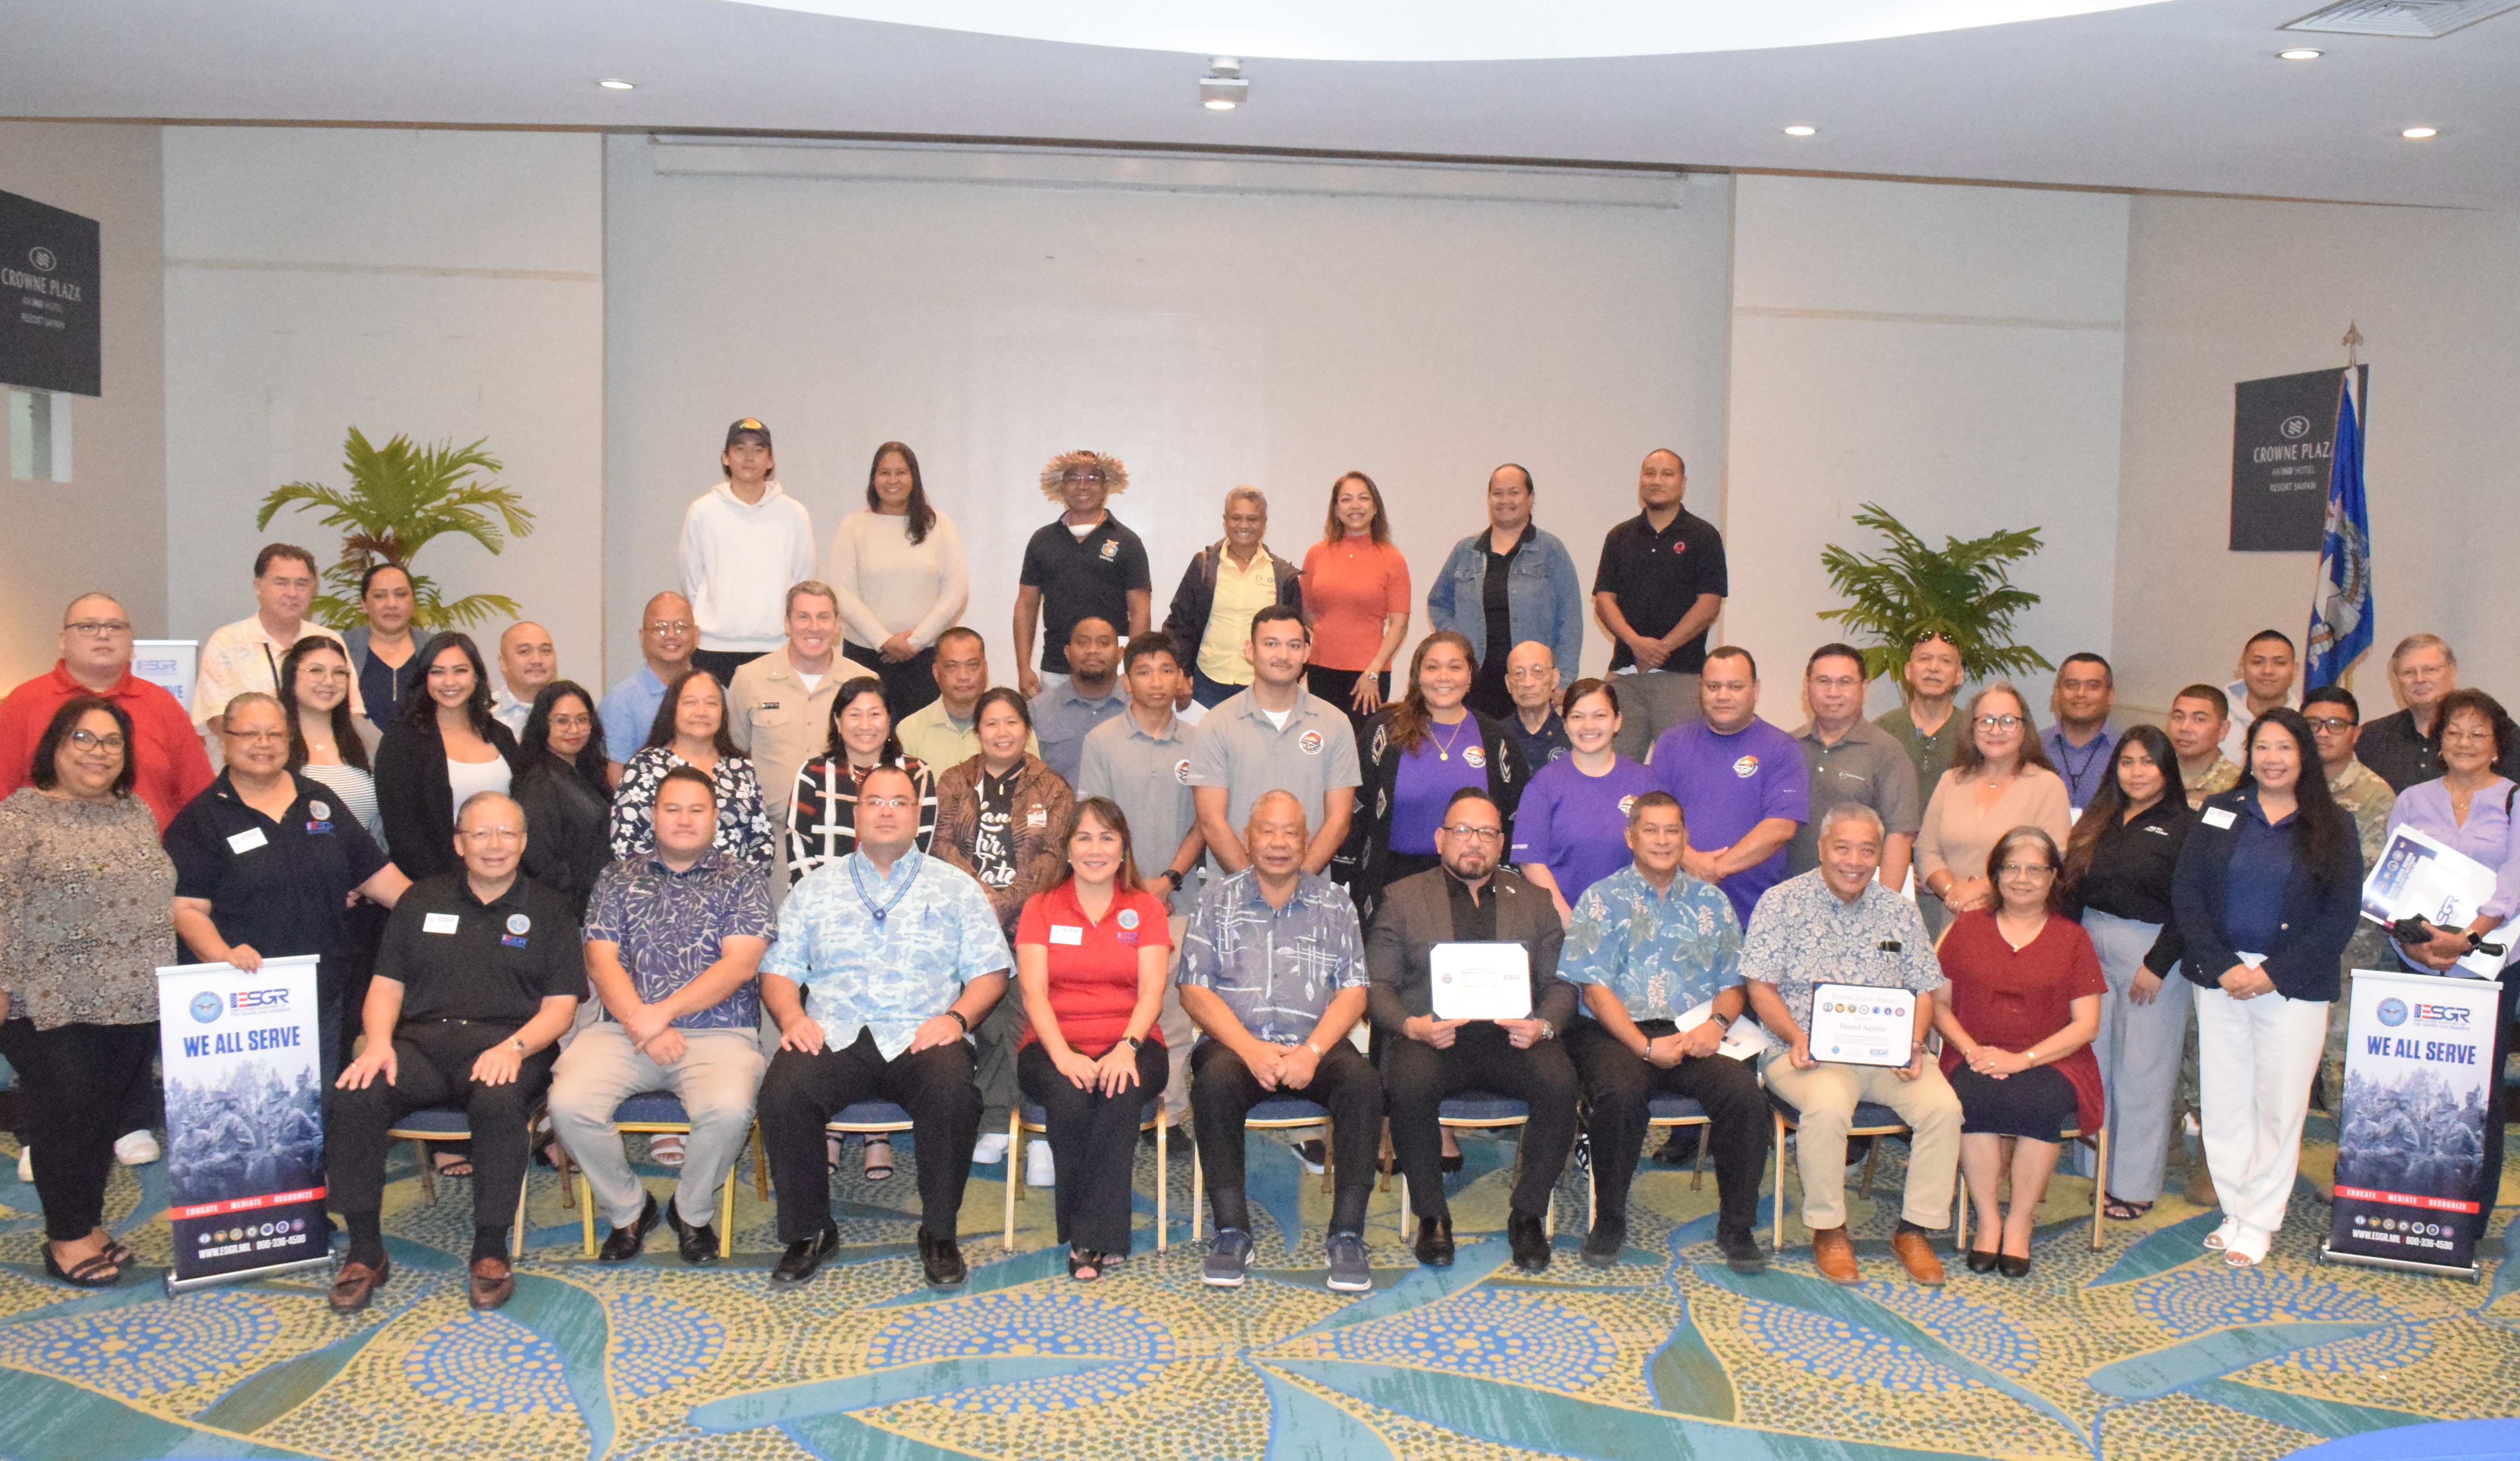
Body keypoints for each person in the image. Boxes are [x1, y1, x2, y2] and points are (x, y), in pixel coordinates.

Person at [755, 763, 1009, 1290]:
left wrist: (957, 1018)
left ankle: (938, 1233)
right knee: (783, 1092)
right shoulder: (815, 888)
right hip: (834, 1031)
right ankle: (810, 1232)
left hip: (925, 1032)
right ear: (857, 815)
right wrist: (792, 1017)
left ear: (917, 815)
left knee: (952, 1093)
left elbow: (990, 972)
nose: (886, 811)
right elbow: (778, 970)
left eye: (898, 802)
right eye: (874, 802)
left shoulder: (957, 888)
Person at [327, 791, 582, 1313]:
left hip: (512, 1044)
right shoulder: (421, 901)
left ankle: (490, 1248)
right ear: (459, 843)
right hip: (419, 1045)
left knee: (498, 1101)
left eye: (507, 834)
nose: (495, 845)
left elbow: (560, 1009)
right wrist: (376, 1044)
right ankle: (364, 1251)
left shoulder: (550, 910)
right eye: (481, 834)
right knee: (355, 1096)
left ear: (524, 842)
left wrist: (513, 1047)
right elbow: (385, 988)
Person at [550, 766, 774, 1265]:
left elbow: (741, 963)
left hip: (720, 1034)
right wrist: (641, 1022)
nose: (684, 820)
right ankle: (629, 1208)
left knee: (730, 1110)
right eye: (672, 809)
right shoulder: (617, 877)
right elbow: (600, 958)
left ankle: (691, 1213)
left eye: (697, 810)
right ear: (654, 816)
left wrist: (661, 1015)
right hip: (622, 1031)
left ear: (715, 817)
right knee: (568, 1104)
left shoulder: (741, 879)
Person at [2173, 707, 2362, 1269]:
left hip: (2291, 984)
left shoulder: (2334, 823)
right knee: (2225, 1099)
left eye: (2284, 748)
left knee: (2278, 1105)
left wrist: (2271, 973)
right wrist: (2223, 964)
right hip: (2221, 978)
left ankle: (2260, 1220)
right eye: (2262, 748)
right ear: (2247, 755)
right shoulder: (2218, 811)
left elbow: (2339, 917)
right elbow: (2188, 895)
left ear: (2303, 755)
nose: (2272, 759)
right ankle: (2233, 1209)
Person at [0, 697, 178, 1287]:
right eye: (83, 737)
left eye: (111, 741)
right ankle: (67, 1237)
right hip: (49, 997)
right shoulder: (22, 816)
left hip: (131, 996)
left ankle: (90, 1223)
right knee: (65, 1118)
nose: (98, 752)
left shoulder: (134, 813)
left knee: (101, 1117)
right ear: (56, 745)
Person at [1743, 803, 1959, 1287]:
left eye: (1867, 850)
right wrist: (1795, 1037)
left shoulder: (1899, 913)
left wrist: (1913, 1041)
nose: (1854, 861)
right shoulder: (1781, 903)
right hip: (1804, 1051)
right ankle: (1829, 1229)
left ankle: (1915, 1229)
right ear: (1821, 849)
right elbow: (1760, 988)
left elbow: (1923, 988)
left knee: (1943, 1108)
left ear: (1880, 855)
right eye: (1842, 847)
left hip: (1887, 1055)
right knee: (1825, 1105)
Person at [1369, 787, 1578, 1273]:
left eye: (1486, 833)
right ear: (1440, 838)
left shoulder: (1534, 901)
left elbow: (1560, 983)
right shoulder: (1402, 899)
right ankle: (1431, 1215)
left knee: (1560, 1081)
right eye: (1462, 831)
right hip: (1434, 1037)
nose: (1473, 842)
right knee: (1409, 1083)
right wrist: (1412, 1026)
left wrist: (1543, 1025)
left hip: (1514, 1037)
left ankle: (1527, 1214)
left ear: (1500, 844)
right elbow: (1377, 987)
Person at [1175, 791, 1378, 1290]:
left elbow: (1355, 993)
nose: (1279, 843)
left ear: (1306, 841)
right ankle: (1230, 1230)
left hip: (1316, 1043)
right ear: (1248, 838)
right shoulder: (1214, 900)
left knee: (1363, 1084)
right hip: (1235, 1044)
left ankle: (1347, 1234)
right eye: (1267, 831)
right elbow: (1193, 991)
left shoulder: (1335, 903)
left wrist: (1311, 1052)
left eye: (1290, 832)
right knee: (1214, 1084)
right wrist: (1248, 1049)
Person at [1560, 792, 1770, 1272]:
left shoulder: (1711, 902)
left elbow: (1733, 984)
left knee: (1744, 1095)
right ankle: (1609, 1219)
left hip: (1695, 1031)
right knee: (1618, 1093)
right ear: (1630, 837)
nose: (1661, 840)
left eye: (1671, 830)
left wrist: (1716, 1028)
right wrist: (1643, 1046)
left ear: (1684, 838)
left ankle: (1736, 1227)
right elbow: (1592, 991)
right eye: (1650, 830)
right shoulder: (1600, 899)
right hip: (1616, 1034)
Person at [168, 691, 411, 1081]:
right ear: (225, 740)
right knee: (250, 1102)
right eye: (250, 734)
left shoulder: (320, 800)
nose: (263, 744)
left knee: (316, 1102)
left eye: (275, 735)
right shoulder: (203, 818)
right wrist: (222, 955)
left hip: (322, 985)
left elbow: (376, 876)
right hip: (244, 992)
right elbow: (187, 908)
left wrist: (441, 912)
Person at [1932, 827, 2105, 1278]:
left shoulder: (2072, 939)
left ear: (2053, 878)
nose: (2022, 878)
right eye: (2010, 867)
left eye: (2035, 869)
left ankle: (2019, 1222)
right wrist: (1971, 1051)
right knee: (1972, 1097)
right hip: (1971, 1053)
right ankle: (1988, 1220)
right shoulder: (1965, 930)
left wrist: (2021, 1060)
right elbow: (1937, 1005)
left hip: (2052, 1059)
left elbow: (2086, 1025)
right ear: (1994, 875)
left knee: (2037, 1103)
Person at [1013, 799, 1172, 1280]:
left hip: (1135, 1038)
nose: (1095, 849)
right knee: (1070, 1095)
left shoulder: (1145, 907)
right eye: (1083, 838)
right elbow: (1033, 993)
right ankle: (1096, 1234)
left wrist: (1126, 1047)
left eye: (1106, 837)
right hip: (1051, 1041)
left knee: (1120, 1095)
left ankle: (1089, 1238)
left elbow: (1152, 992)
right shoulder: (1040, 908)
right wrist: (1063, 1056)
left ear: (1124, 848)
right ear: (1066, 849)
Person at [2378, 689, 2520, 1206]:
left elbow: (2514, 882)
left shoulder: (2513, 799)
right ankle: (2401, 1198)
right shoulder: (2412, 799)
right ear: (2438, 742)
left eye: (2477, 734)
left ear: (2496, 746)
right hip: (2415, 961)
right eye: (2453, 732)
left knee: (2477, 1090)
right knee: (2412, 1081)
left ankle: (2470, 1212)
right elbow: (2392, 881)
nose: (2464, 742)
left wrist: (2466, 940)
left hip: (2486, 967)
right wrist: (2418, 948)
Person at [932, 688, 1075, 1173]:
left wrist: (1006, 900)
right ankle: (996, 1117)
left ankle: (1033, 1122)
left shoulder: (1051, 787)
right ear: (978, 731)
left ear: (1026, 729)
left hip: (1029, 922)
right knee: (986, 1021)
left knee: (1022, 1020)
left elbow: (1054, 855)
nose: (1001, 733)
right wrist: (979, 900)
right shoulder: (954, 781)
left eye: (1011, 723)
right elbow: (941, 844)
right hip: (964, 923)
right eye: (991, 723)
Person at [2059, 725, 2193, 1221]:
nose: (2136, 772)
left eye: (2148, 762)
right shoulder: (2098, 819)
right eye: (2127, 762)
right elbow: (2070, 889)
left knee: (2142, 1072)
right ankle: (2094, 1167)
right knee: (2094, 1060)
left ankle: (2133, 1185)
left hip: (2151, 956)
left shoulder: (2185, 825)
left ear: (2166, 770)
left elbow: (2191, 904)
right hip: (2090, 943)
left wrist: (2157, 964)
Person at [1077, 631, 1207, 1117]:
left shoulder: (1201, 741)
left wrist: (1167, 881)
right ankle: (1115, 1110)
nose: (1156, 682)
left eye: (1166, 670)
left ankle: (1170, 1115)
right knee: (1112, 1012)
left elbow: (1206, 819)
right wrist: (1134, 890)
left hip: (1180, 901)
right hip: (1111, 901)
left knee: (1172, 1016)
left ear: (1180, 679)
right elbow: (1097, 824)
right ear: (1125, 680)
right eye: (1144, 671)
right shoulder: (1102, 741)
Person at [1351, 631, 1530, 919]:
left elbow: (1516, 817)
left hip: (1473, 888)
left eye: (1455, 667)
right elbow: (1356, 808)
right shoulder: (1384, 730)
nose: (1443, 677)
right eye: (1432, 667)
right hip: (1392, 885)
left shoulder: (1497, 739)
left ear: (1470, 675)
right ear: (1417, 676)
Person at [0, 592, 212, 828]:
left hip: (150, 856)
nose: (103, 635)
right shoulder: (24, 702)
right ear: (62, 640)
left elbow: (198, 796)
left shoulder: (163, 704)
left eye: (115, 627)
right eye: (88, 627)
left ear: (131, 642)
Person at [1188, 605, 1360, 881]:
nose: (1283, 655)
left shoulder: (1336, 724)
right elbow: (1211, 822)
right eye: (1271, 644)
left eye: (1294, 645)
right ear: (1250, 650)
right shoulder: (1216, 724)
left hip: (1308, 896)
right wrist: (1257, 887)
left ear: (1306, 653)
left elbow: (1339, 822)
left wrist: (1294, 886)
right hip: (1232, 895)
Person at [1646, 647, 1809, 929]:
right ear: (1701, 689)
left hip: (1755, 918)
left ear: (1755, 690)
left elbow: (1781, 827)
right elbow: (1649, 821)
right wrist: (1692, 861)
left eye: (1735, 687)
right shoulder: (1671, 744)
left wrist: (1715, 869)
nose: (1723, 696)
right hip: (1676, 915)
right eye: (1713, 687)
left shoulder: (1781, 748)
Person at [1592, 449, 1727, 761]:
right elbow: (1604, 599)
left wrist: (1661, 648)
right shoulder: (1619, 537)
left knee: (1684, 768)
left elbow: (1709, 604)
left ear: (1682, 483)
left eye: (1667, 474)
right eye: (1649, 473)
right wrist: (1636, 644)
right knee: (1615, 768)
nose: (1657, 481)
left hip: (1682, 677)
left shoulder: (1704, 536)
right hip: (1626, 675)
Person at [1914, 683, 2072, 944]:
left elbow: (2053, 858)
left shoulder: (2048, 786)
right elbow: (1926, 851)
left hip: (2017, 926)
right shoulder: (1951, 781)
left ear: (2024, 729)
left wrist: (1976, 891)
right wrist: (1954, 894)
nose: (1996, 730)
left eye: (2008, 721)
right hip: (1951, 923)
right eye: (1986, 721)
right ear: (1972, 729)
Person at [2304, 684, 2399, 1111]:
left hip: (2349, 953)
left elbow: (2367, 876)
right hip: (2285, 946)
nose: (2322, 733)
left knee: (2339, 1069)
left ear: (2355, 733)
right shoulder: (2281, 780)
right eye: (2312, 724)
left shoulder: (2373, 793)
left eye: (2335, 724)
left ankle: (2345, 1173)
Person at [825, 441, 969, 722]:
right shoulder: (853, 527)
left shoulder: (939, 524)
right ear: (874, 479)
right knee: (866, 738)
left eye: (901, 473)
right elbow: (842, 594)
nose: (893, 481)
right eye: (884, 473)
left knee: (921, 744)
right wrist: (884, 641)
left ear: (914, 478)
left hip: (926, 659)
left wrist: (915, 641)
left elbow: (956, 591)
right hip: (865, 658)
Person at [1427, 463, 1584, 721]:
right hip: (1474, 683)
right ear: (1489, 499)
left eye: (1514, 493)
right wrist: (1457, 640)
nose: (1505, 501)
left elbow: (1570, 620)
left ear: (1530, 499)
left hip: (1530, 683)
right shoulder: (1466, 551)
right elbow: (1438, 603)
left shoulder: (1550, 550)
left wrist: (1563, 681)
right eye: (1497, 493)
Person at [374, 632, 521, 883]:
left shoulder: (501, 735)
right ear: (424, 678)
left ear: (477, 676)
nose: (449, 682)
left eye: (460, 670)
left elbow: (522, 811)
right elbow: (403, 832)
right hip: (436, 885)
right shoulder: (402, 741)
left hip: (505, 880)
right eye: (438, 672)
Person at [681, 418, 817, 686]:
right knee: (717, 728)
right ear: (725, 457)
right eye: (740, 449)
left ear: (771, 460)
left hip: (777, 647)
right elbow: (692, 580)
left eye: (758, 450)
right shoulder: (703, 512)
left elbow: (804, 581)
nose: (749, 457)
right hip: (713, 649)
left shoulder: (794, 514)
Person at [728, 581, 849, 881]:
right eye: (803, 617)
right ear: (787, 623)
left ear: (838, 626)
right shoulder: (749, 679)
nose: (814, 627)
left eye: (823, 617)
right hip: (772, 845)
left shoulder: (862, 682)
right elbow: (734, 752)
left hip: (846, 845)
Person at [1515, 678, 1658, 923]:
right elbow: (1531, 863)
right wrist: (1572, 924)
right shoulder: (1543, 786)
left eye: (1600, 715)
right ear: (1565, 724)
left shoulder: (1646, 783)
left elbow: (1662, 855)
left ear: (1618, 721)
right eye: (1578, 716)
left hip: (1635, 926)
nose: (1588, 726)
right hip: (1565, 926)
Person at [1014, 450, 1150, 701]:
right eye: (1074, 479)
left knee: (1113, 739)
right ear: (1061, 486)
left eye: (1092, 478)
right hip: (1056, 667)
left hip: (1113, 672)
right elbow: (1026, 606)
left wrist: (1130, 668)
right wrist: (1024, 668)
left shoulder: (1128, 542)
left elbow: (1141, 611)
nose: (1083, 485)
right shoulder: (1042, 541)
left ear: (1106, 486)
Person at [191, 543, 360, 744]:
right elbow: (217, 719)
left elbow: (352, 712)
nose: (292, 593)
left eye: (302, 584)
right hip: (249, 766)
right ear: (258, 586)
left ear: (313, 589)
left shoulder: (328, 642)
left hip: (319, 764)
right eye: (281, 583)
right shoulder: (228, 642)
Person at [609, 669, 773, 874]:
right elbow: (626, 845)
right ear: (672, 709)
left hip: (734, 896)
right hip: (660, 897)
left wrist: (734, 885)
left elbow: (763, 845)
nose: (702, 712)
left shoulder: (742, 770)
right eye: (690, 703)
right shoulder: (645, 767)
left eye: (712, 703)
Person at [1786, 645, 1922, 891]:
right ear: (1807, 688)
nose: (1833, 692)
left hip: (1859, 899)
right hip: (1791, 898)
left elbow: (1900, 836)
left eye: (1845, 682)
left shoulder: (1887, 752)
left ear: (1864, 688)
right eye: (1823, 681)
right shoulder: (1787, 747)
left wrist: (1881, 909)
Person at [1164, 486, 1304, 710]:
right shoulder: (1204, 566)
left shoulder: (1282, 575)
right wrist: (1181, 673)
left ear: (1264, 523)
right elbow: (1179, 624)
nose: (1244, 525)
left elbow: (1297, 634)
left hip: (1261, 687)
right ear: (1225, 520)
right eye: (1236, 518)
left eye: (1252, 519)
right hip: (1207, 684)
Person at [787, 675, 938, 881]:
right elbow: (799, 846)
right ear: (838, 721)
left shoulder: (916, 772)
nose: (865, 726)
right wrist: (820, 898)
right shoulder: (813, 773)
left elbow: (921, 845)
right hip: (824, 900)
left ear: (889, 719)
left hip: (898, 897)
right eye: (855, 715)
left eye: (875, 714)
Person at [1298, 470, 1412, 734]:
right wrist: (1332, 636)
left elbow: (1400, 623)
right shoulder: (1317, 554)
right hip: (1321, 670)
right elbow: (1305, 609)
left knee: (1361, 752)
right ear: (1336, 510)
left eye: (1363, 498)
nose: (1355, 506)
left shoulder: (1392, 559)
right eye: (1346, 500)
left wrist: (1373, 672)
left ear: (1375, 507)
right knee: (1321, 746)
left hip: (1368, 676)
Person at [2357, 634, 2520, 791]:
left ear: (2453, 671)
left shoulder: (2497, 731)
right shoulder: (2372, 737)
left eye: (2430, 670)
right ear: (2396, 680)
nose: (2420, 679)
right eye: (2409, 673)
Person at [509, 682, 614, 923]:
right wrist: (576, 908)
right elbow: (539, 860)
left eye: (582, 720)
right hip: (565, 914)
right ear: (542, 725)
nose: (574, 729)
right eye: (562, 721)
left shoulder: (586, 773)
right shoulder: (539, 782)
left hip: (595, 907)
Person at [282, 636, 385, 844]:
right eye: (316, 671)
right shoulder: (270, 739)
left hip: (368, 868)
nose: (329, 681)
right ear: (291, 676)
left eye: (339, 672)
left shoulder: (370, 737)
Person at [895, 627, 1037, 772]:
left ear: (986, 669)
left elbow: (1033, 787)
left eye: (973, 665)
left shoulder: (1015, 729)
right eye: (952, 667)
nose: (963, 676)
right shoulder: (910, 730)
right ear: (936, 672)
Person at [600, 592, 698, 780]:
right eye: (660, 628)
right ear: (642, 637)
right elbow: (615, 777)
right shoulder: (620, 701)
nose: (671, 635)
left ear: (696, 635)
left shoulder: (718, 697)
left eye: (680, 627)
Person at [1030, 617, 1128, 786]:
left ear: (1120, 654)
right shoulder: (1037, 711)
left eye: (1104, 643)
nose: (1093, 650)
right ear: (1068, 653)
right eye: (1083, 643)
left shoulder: (1138, 710)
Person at [1876, 631, 1965, 804]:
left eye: (1946, 661)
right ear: (1909, 671)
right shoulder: (1883, 730)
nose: (1934, 668)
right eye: (1925, 659)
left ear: (1959, 674)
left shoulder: (1974, 732)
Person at [342, 562, 424, 733]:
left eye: (401, 595)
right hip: (358, 756)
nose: (392, 604)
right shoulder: (341, 648)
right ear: (363, 604)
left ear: (413, 601)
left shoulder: (436, 649)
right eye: (380, 596)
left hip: (428, 757)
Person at [2043, 653, 2120, 810]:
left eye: (2093, 686)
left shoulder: (2127, 750)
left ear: (2111, 696)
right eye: (2071, 685)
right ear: (2057, 693)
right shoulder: (2033, 746)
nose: (2081, 694)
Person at [2220, 630, 2300, 769]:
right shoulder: (2217, 716)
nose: (2268, 671)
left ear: (2295, 670)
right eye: (2258, 662)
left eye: (2280, 663)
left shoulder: (2306, 721)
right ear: (2242, 668)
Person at [1500, 641, 1572, 773]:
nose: (1528, 683)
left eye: (1538, 671)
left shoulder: (1572, 735)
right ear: (1508, 683)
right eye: (1519, 673)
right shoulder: (1494, 736)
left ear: (1555, 679)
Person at [2167, 684, 2242, 809]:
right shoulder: (2153, 773)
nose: (2185, 728)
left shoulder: (2237, 786)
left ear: (2223, 730)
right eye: (2178, 717)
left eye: (2199, 720)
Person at [489, 621, 558, 735]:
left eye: (546, 651)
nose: (537, 660)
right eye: (524, 652)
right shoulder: (484, 715)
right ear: (503, 663)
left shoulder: (572, 713)